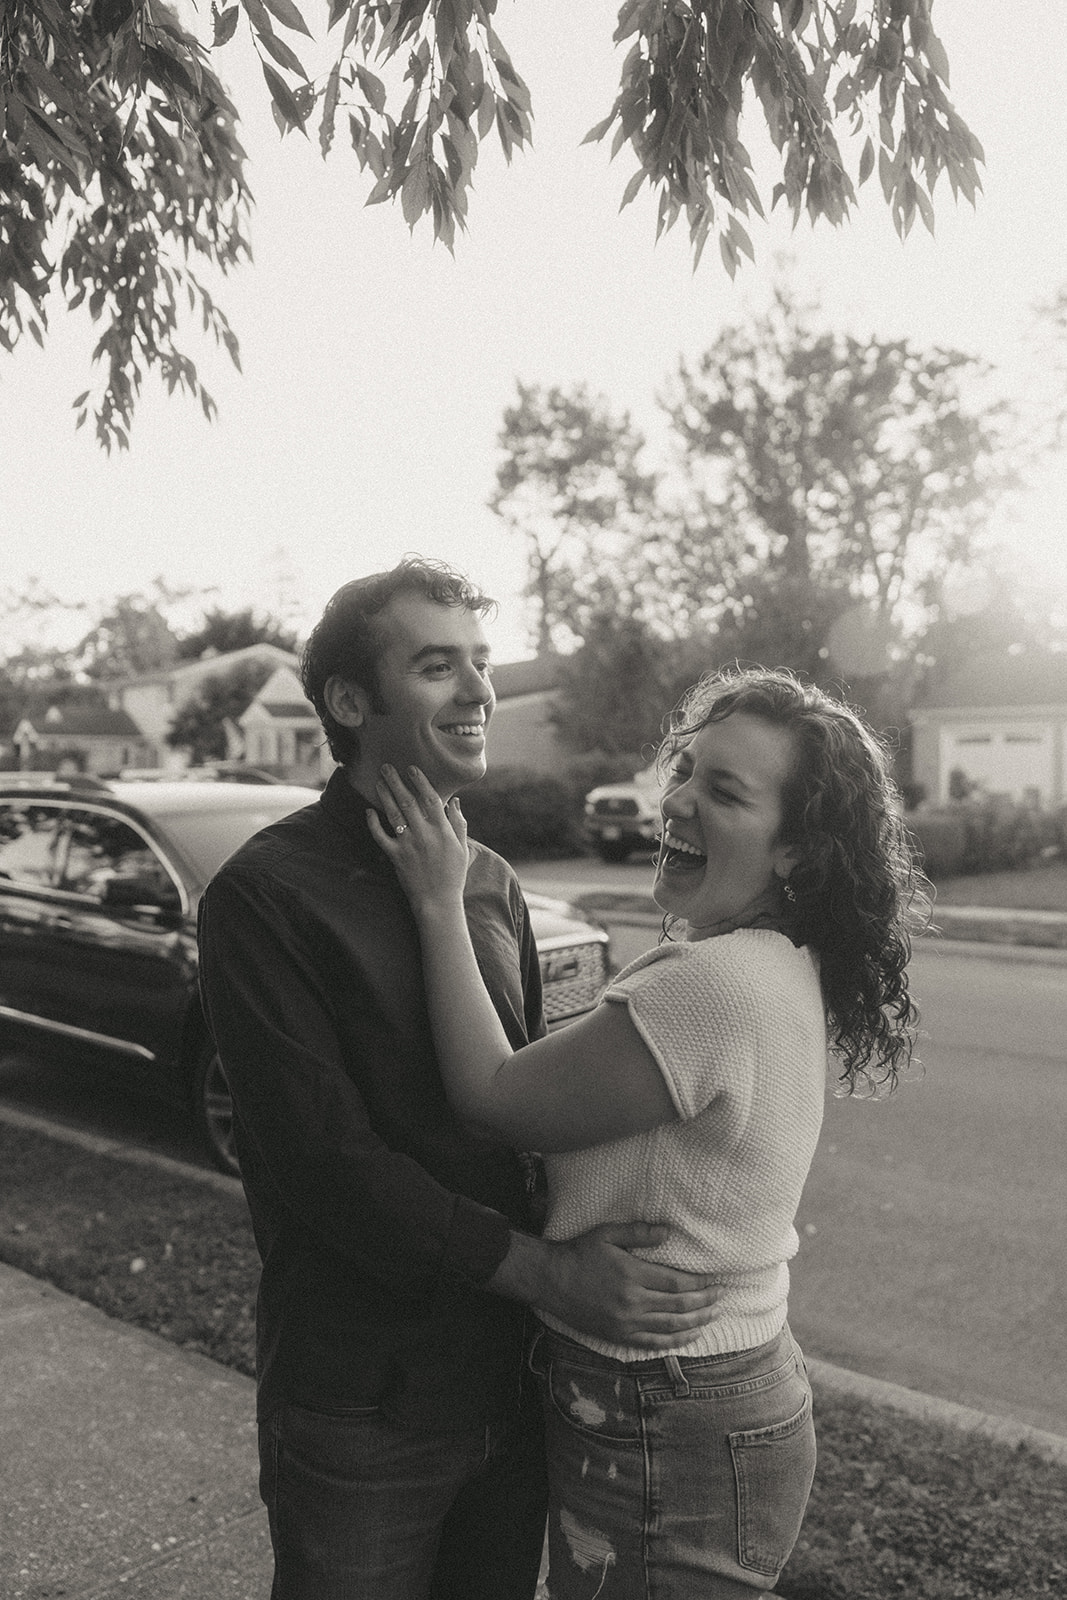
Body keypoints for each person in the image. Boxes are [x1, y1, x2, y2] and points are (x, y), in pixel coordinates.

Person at [196, 556, 723, 1600]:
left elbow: (516, 1102)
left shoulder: (489, 881)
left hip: (512, 1383)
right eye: (438, 666)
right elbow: (325, 1167)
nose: (479, 692)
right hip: (363, 1407)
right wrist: (548, 1272)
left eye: (479, 664)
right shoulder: (262, 898)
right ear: (350, 700)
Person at [371, 664, 928, 1600]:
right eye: (686, 771)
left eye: (724, 792)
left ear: (794, 851)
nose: (676, 803)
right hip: (699, 1392)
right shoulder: (761, 959)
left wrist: (437, 900)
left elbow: (493, 1095)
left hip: (667, 1408)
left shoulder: (712, 987)